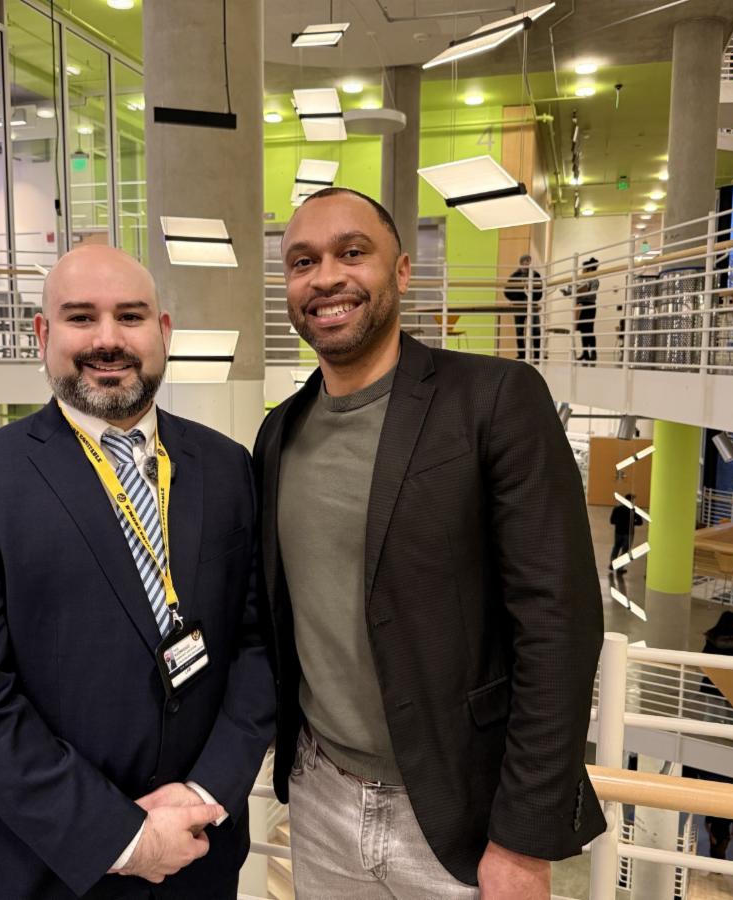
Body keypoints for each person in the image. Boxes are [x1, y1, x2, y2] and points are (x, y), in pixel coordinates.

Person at [255, 187, 605, 899]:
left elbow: (558, 624)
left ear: (402, 270)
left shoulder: (496, 399)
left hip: (457, 812)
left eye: (353, 253)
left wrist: (523, 841)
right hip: (320, 796)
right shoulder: (278, 433)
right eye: (302, 262)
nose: (326, 278)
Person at [0, 245, 276, 899]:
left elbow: (258, 644)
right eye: (81, 318)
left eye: (130, 316)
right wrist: (124, 837)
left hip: (200, 860)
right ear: (44, 335)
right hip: (39, 873)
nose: (108, 339)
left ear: (162, 333)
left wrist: (207, 793)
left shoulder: (227, 466)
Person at [699, 610, 733, 722]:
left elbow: (705, 655)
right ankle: (731, 732)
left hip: (713, 678)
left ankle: (710, 730)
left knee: (712, 708)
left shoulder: (712, 636)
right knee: (732, 708)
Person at [505, 254, 544, 362]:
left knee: (536, 329)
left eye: (529, 261)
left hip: (532, 306)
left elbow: (539, 292)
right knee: (519, 330)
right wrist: (519, 296)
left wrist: (532, 297)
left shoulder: (536, 275)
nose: (527, 263)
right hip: (519, 306)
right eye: (525, 261)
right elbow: (507, 291)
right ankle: (522, 354)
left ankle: (537, 356)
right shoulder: (514, 276)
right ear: (521, 263)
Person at [561, 257, 600, 363]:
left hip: (589, 306)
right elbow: (575, 292)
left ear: (588, 269)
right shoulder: (581, 280)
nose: (582, 271)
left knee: (589, 330)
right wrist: (567, 292)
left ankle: (593, 353)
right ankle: (585, 353)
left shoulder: (594, 280)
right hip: (580, 305)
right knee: (582, 330)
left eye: (584, 269)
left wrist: (581, 293)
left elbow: (592, 293)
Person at [609, 493, 643, 574]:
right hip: (628, 533)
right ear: (631, 500)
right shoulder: (634, 510)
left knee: (616, 547)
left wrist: (620, 522)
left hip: (618, 532)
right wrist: (632, 522)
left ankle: (612, 563)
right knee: (625, 551)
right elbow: (640, 522)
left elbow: (612, 521)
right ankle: (619, 567)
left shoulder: (617, 509)